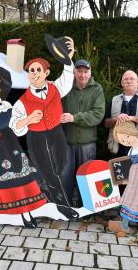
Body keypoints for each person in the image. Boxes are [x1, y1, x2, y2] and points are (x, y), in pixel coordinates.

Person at [10, 39, 78, 219]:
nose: (34, 73)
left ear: (46, 73)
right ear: (28, 75)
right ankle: (64, 207)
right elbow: (14, 125)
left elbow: (67, 77)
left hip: (56, 133)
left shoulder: (56, 88)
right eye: (31, 71)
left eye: (38, 70)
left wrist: (67, 60)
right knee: (48, 172)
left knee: (61, 166)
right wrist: (28, 119)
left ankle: (45, 192)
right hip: (36, 137)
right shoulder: (22, 101)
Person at [0, 73, 47, 228]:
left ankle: (27, 212)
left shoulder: (9, 106)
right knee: (2, 183)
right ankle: (10, 214)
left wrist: (28, 120)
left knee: (22, 179)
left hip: (12, 148)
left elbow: (18, 129)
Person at [61, 59, 105, 202]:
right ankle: (65, 207)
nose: (82, 75)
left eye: (85, 72)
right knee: (65, 177)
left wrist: (75, 118)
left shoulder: (97, 89)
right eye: (79, 71)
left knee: (86, 177)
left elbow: (98, 114)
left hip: (87, 144)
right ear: (74, 73)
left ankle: (85, 207)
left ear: (90, 73)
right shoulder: (66, 88)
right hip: (66, 142)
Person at [104, 70, 138, 157]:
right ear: (122, 83)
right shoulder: (114, 100)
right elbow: (106, 123)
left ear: (137, 82)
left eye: (132, 79)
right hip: (119, 150)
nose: (129, 81)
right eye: (126, 79)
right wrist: (116, 118)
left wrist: (132, 118)